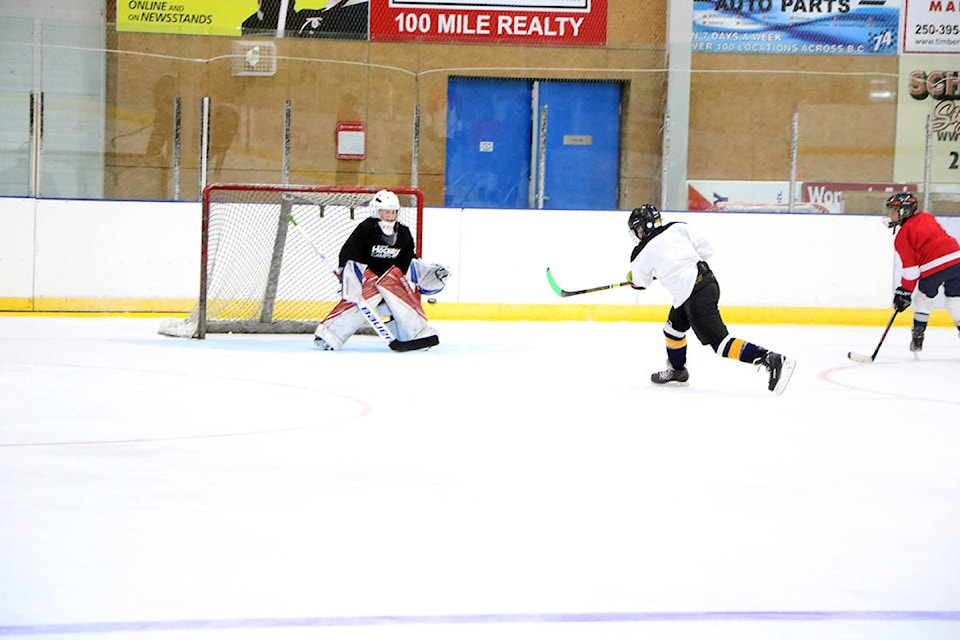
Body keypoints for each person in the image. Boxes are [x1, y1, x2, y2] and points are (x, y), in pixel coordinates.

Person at [625, 204, 796, 394]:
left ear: (642, 228)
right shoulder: (678, 227)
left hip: (694, 296)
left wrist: (635, 279)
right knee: (673, 329)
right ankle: (677, 371)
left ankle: (770, 359)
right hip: (707, 282)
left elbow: (641, 283)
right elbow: (706, 250)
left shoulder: (640, 253)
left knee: (721, 343)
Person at [314, 189, 449, 351]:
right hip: (366, 283)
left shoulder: (403, 233)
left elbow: (407, 261)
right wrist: (347, 272)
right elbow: (349, 253)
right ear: (376, 211)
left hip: (389, 286)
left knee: (396, 283)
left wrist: (427, 274)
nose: (390, 216)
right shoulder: (366, 229)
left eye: (393, 212)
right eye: (386, 212)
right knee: (364, 293)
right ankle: (329, 335)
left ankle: (416, 334)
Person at [885, 192, 960, 353]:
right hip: (957, 260)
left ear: (905, 211)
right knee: (955, 301)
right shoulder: (927, 217)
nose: (890, 214)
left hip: (934, 267)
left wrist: (904, 292)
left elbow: (911, 271)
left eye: (894, 210)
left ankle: (918, 335)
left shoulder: (902, 236)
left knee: (923, 298)